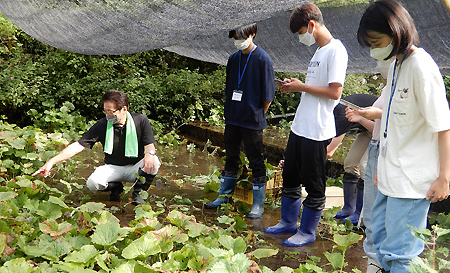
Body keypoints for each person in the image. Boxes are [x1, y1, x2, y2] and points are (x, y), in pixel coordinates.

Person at [357, 0, 450, 272]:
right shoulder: (397, 63)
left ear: (397, 31)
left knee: (401, 255)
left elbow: (443, 126)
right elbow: (396, 122)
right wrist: (383, 168)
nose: (374, 50)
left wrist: (444, 176)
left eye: (376, 41)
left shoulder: (422, 67)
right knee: (383, 247)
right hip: (390, 176)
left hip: (411, 181)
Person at [264, 2, 348, 247]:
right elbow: (313, 90)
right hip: (300, 126)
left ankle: (307, 231)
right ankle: (288, 223)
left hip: (317, 129)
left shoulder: (336, 51)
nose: (302, 38)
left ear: (311, 25)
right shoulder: (319, 51)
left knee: (313, 182)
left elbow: (335, 93)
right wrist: (296, 85)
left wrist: (301, 86)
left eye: (301, 32)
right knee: (290, 176)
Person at [33, 90, 161, 205]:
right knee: (93, 183)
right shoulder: (102, 124)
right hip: (114, 168)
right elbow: (79, 145)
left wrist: (149, 153)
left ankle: (138, 194)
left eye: (111, 112)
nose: (108, 115)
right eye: (105, 111)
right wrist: (51, 162)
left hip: (136, 168)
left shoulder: (140, 120)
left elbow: (149, 144)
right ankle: (116, 188)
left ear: (124, 109)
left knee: (154, 161)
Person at [204, 23, 276, 218]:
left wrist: (256, 112)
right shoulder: (233, 59)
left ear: (252, 35)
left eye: (241, 37)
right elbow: (230, 86)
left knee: (255, 158)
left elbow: (268, 95)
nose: (238, 42)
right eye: (235, 38)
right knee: (231, 156)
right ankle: (224, 195)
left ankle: (258, 204)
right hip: (233, 118)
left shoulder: (263, 59)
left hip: (252, 120)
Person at [346, 59, 392, 273]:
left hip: (391, 151)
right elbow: (377, 127)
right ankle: (373, 267)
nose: (377, 61)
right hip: (377, 146)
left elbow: (404, 120)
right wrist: (360, 117)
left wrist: (379, 114)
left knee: (385, 222)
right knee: (373, 221)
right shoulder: (385, 86)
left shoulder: (406, 82)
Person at [329, 94, 377, 225]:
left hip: (380, 131)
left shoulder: (342, 115)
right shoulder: (326, 116)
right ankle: (349, 208)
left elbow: (328, 151)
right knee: (350, 163)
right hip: (366, 129)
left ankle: (360, 213)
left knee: (364, 165)